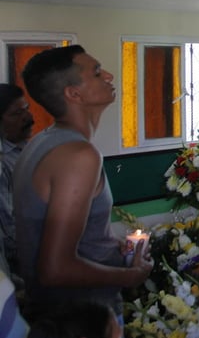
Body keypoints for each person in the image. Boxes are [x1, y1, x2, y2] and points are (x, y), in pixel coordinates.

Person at [14, 45, 153, 323]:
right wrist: (130, 276)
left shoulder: (42, 141)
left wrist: (112, 247)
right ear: (73, 93)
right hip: (81, 318)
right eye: (98, 72)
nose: (110, 76)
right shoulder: (78, 156)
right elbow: (54, 269)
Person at [0, 83, 34, 277]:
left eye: (26, 109)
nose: (28, 118)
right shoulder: (3, 162)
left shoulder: (29, 149)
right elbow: (10, 228)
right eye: (16, 114)